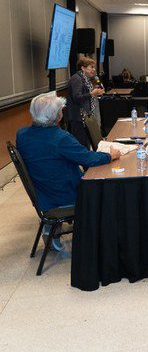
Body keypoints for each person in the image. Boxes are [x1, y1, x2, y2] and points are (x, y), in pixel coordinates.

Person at [16, 91, 120, 251]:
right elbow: (88, 159)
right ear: (57, 116)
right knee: (109, 186)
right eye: (60, 111)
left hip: (43, 194)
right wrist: (110, 155)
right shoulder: (60, 138)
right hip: (65, 195)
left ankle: (51, 227)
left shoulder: (22, 134)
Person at [67, 57, 104, 148]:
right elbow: (77, 97)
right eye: (91, 67)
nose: (94, 69)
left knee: (89, 144)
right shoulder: (76, 79)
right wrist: (91, 94)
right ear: (83, 68)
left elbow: (89, 95)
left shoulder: (86, 79)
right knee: (81, 145)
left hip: (86, 116)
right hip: (78, 118)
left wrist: (97, 92)